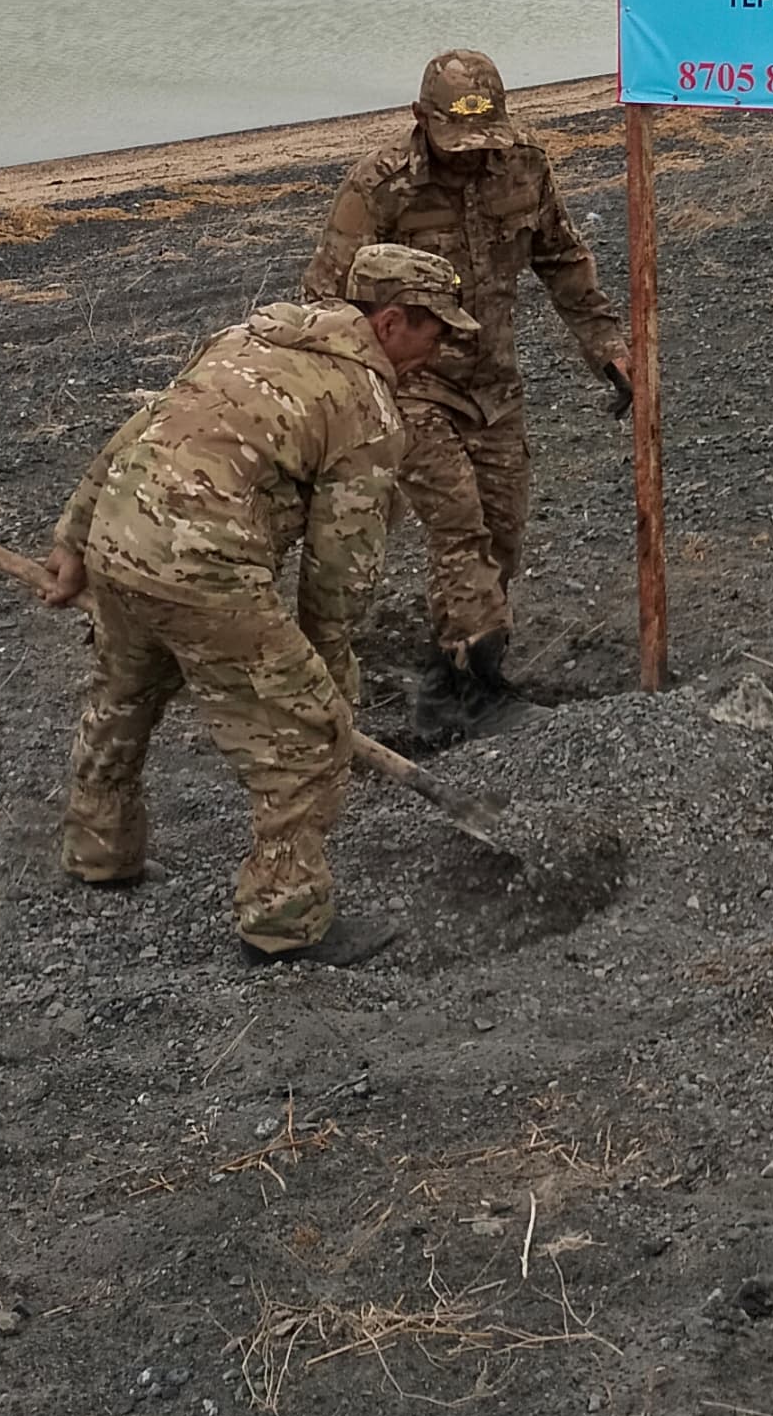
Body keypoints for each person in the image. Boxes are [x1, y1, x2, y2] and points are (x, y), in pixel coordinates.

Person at [40, 244, 502, 957]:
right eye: (435, 331)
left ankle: (99, 854)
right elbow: (342, 561)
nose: (438, 350)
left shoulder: (249, 338)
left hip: (119, 543)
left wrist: (74, 539)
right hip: (204, 569)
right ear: (390, 321)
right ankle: (284, 924)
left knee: (124, 696)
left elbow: (137, 433)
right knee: (307, 736)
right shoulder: (365, 404)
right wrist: (326, 665)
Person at [299, 50, 631, 603]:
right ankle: (465, 677)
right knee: (460, 529)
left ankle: (465, 653)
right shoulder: (379, 187)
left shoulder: (525, 165)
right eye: (457, 144)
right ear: (420, 118)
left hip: (496, 388)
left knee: (502, 539)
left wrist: (609, 348)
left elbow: (562, 261)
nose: (471, 158)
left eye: (484, 142)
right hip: (412, 387)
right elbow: (326, 300)